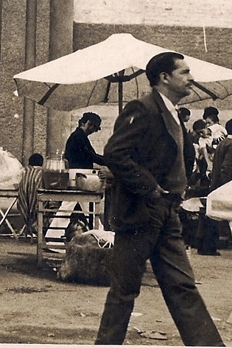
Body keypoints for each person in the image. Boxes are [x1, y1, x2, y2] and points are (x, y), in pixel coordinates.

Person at [95, 52, 222, 346]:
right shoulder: (143, 108)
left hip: (168, 212)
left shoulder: (173, 112)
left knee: (182, 285)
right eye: (185, 72)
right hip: (141, 212)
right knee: (124, 290)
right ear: (164, 77)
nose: (191, 78)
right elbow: (115, 153)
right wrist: (150, 188)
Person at [198, 118, 232, 256]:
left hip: (216, 184)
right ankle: (209, 247)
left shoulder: (223, 143)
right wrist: (227, 187)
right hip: (225, 186)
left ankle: (205, 246)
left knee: (212, 216)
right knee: (217, 218)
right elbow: (227, 167)